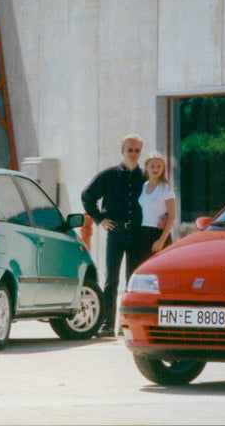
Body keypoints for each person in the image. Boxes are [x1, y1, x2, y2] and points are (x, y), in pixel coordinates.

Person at [81, 133, 144, 337]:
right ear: (122, 151)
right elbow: (87, 195)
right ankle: (107, 324)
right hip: (115, 233)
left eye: (136, 150)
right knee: (111, 279)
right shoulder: (109, 175)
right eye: (129, 150)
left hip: (137, 234)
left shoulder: (145, 178)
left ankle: (126, 324)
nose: (133, 154)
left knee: (133, 280)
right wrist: (100, 219)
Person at [137, 151, 176, 263]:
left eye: (159, 166)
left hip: (159, 233)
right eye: (152, 166)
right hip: (144, 232)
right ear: (146, 167)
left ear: (163, 168)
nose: (155, 169)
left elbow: (172, 215)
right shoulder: (144, 186)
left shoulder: (166, 188)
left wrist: (161, 240)